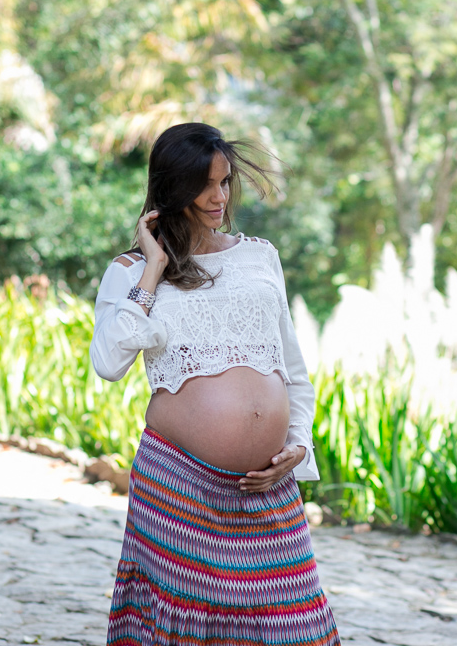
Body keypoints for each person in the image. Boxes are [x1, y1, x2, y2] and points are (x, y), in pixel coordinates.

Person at [90, 123, 341, 646]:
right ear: (172, 187)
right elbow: (110, 362)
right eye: (205, 185)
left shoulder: (259, 255)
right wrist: (153, 270)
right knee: (186, 630)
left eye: (225, 182)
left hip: (266, 488)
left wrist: (298, 443)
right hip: (179, 486)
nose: (218, 197)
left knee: (294, 627)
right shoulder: (132, 271)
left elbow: (291, 368)